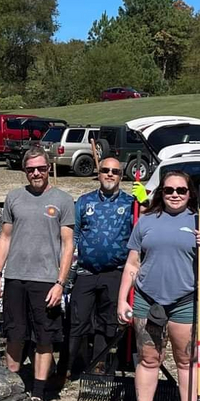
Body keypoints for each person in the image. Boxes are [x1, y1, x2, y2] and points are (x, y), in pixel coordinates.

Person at [117, 170, 200, 401]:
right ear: (160, 193)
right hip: (147, 300)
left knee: (186, 362)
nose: (175, 195)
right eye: (169, 190)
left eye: (181, 190)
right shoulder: (147, 221)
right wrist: (122, 299)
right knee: (149, 360)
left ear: (190, 193)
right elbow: (132, 263)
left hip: (184, 302)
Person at [0, 144, 75, 401]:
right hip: (15, 277)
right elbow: (4, 237)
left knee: (44, 338)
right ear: (24, 171)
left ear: (48, 167)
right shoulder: (14, 197)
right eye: (31, 169)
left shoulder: (63, 200)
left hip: (46, 281)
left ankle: (38, 393)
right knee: (14, 336)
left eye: (40, 168)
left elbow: (67, 245)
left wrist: (60, 283)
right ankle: (12, 388)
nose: (36, 173)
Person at [68, 157, 137, 381]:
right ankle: (72, 365)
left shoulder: (130, 203)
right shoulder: (84, 201)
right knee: (79, 318)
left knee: (107, 321)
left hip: (114, 271)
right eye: (105, 170)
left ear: (121, 176)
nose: (110, 175)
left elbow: (141, 230)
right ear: (98, 173)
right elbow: (75, 234)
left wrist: (144, 201)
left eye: (115, 172)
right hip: (86, 271)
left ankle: (99, 364)